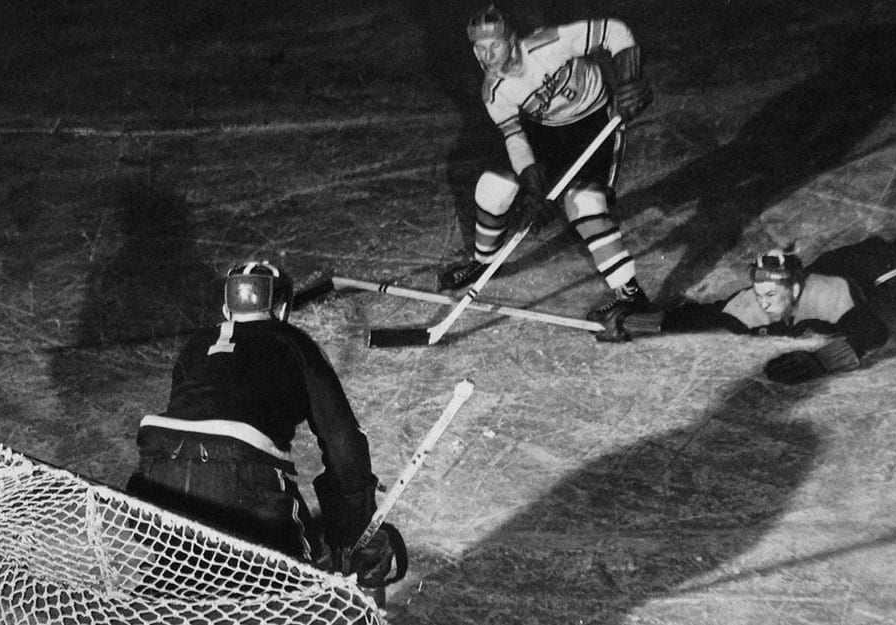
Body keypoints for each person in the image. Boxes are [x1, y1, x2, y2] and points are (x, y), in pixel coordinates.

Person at [602, 131, 896, 384]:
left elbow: (871, 330)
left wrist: (819, 363)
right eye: (761, 292)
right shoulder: (754, 301)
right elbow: (702, 316)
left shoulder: (825, 297)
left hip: (891, 275)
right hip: (857, 261)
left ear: (796, 286)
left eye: (773, 293)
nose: (764, 302)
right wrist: (635, 324)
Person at [125, 260, 400, 598]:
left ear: (226, 309)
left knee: (184, 570)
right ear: (282, 309)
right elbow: (343, 441)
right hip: (243, 477)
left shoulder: (196, 344)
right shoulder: (292, 341)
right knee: (299, 584)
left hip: (155, 482)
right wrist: (356, 531)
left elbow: (192, 426)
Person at [437, 4, 655, 323]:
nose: (487, 56)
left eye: (494, 45)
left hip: (597, 123)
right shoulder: (494, 91)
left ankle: (630, 293)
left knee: (583, 203)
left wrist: (628, 81)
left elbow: (616, 32)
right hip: (549, 132)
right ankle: (484, 261)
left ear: (511, 40)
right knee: (492, 187)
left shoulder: (548, 45)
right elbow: (515, 138)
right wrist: (533, 185)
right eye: (479, 48)